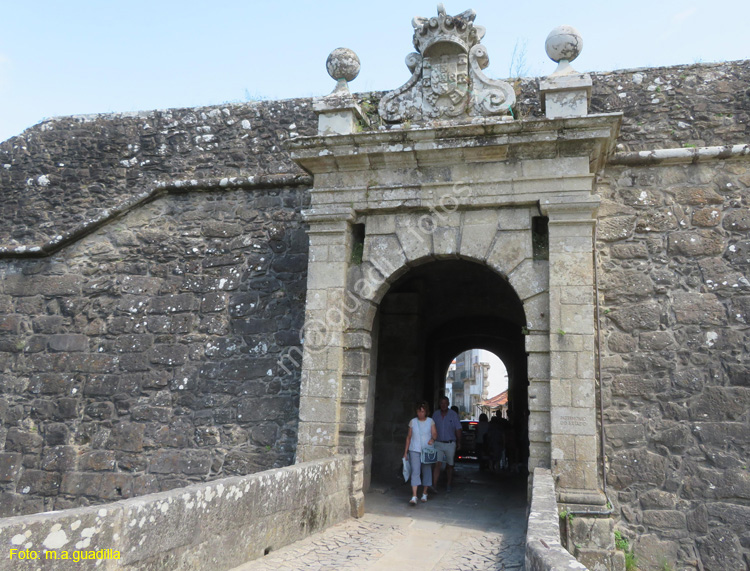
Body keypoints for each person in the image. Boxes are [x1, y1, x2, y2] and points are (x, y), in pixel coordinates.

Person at [403, 401, 438, 505]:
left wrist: (432, 439)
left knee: (427, 471)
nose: (421, 413)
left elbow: (435, 433)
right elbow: (409, 437)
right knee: (415, 471)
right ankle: (414, 495)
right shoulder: (412, 422)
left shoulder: (430, 421)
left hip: (427, 450)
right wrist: (405, 452)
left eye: (422, 411)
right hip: (414, 449)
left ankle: (425, 492)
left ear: (426, 412)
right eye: (419, 411)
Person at [432, 396, 462, 492]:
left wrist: (459, 442)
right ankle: (434, 485)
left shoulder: (453, 415)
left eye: (445, 403)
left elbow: (458, 429)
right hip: (438, 443)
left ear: (448, 404)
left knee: (450, 465)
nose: (443, 405)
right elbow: (431, 428)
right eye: (441, 403)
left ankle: (449, 483)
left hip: (450, 443)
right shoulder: (435, 415)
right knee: (438, 464)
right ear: (439, 404)